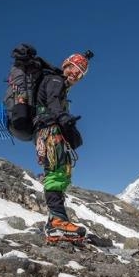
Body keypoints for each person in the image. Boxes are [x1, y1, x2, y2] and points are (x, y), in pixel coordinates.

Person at [33, 51, 93, 242]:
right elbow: (53, 103)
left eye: (80, 74)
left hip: (49, 132)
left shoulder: (59, 85)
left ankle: (56, 220)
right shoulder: (55, 80)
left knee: (59, 172)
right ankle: (57, 222)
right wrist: (63, 117)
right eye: (74, 69)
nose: (76, 74)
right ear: (65, 65)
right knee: (57, 172)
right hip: (50, 132)